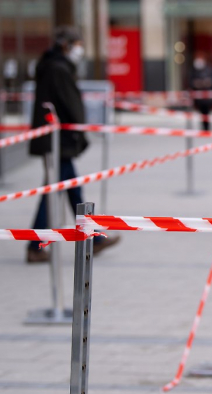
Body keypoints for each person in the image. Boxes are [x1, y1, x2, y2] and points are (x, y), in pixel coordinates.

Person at [27, 26, 119, 263]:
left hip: (56, 140)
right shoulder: (58, 69)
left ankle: (88, 238)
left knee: (62, 189)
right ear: (66, 45)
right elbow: (72, 106)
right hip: (59, 141)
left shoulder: (52, 66)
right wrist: (80, 130)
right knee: (66, 190)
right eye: (77, 43)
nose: (80, 49)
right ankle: (40, 245)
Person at [191, 54, 212, 130]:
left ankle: (207, 127)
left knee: (207, 113)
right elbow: (191, 82)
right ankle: (203, 127)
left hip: (207, 97)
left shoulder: (208, 70)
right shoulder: (194, 71)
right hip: (199, 97)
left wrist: (205, 83)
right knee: (201, 113)